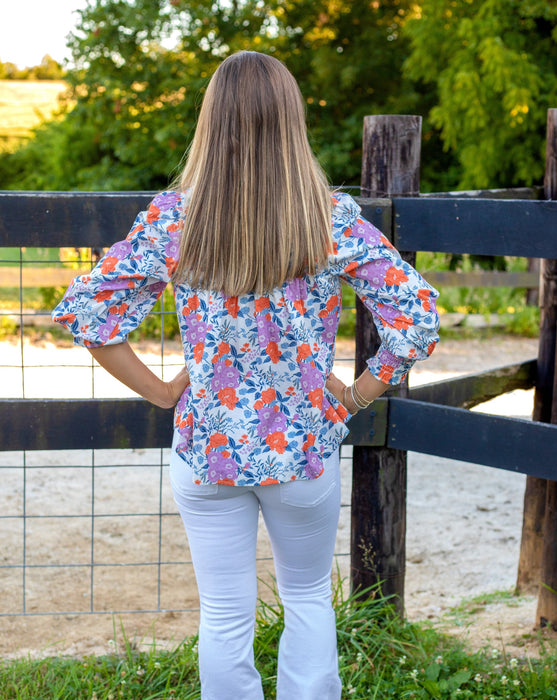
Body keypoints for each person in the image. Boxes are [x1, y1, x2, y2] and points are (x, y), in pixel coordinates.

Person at [52, 51, 439, 700]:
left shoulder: (177, 218)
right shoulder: (327, 217)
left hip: (207, 452)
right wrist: (359, 392)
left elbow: (92, 315)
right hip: (302, 453)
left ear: (210, 121)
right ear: (291, 122)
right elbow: (416, 313)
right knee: (309, 598)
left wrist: (161, 390)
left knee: (224, 615)